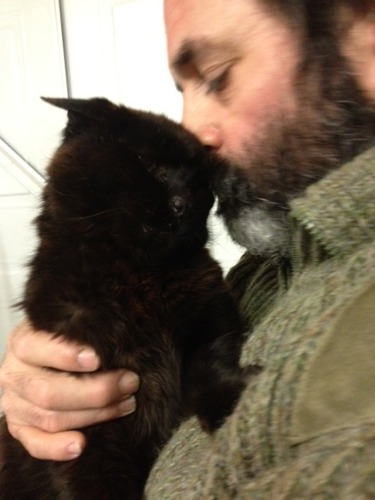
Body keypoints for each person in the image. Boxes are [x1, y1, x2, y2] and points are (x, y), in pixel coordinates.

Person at [1, 0, 375, 495]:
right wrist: (37, 384)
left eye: (217, 76)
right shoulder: (286, 251)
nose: (192, 132)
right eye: (184, 90)